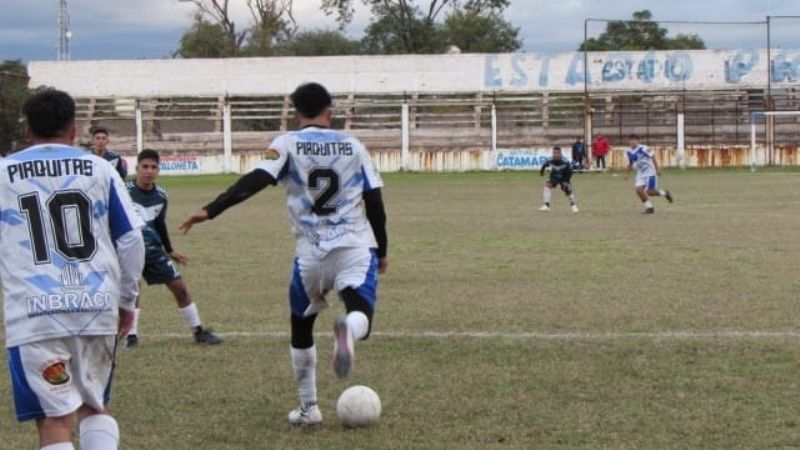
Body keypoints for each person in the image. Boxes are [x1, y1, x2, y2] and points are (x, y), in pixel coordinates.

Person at [180, 82, 388, 427]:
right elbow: (376, 202)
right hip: (354, 245)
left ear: (295, 113)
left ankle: (309, 409)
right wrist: (382, 249)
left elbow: (257, 179)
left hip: (311, 254)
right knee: (359, 310)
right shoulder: (354, 146)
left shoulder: (287, 144)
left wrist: (211, 209)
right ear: (330, 111)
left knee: (301, 326)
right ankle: (348, 332)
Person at [1, 89, 145, 450]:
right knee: (96, 406)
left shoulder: (3, 173)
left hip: (34, 314)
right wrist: (127, 301)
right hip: (95, 306)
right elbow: (130, 240)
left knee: (55, 420)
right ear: (74, 129)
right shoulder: (100, 168)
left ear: (28, 129)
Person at [125, 149, 222, 347]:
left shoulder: (161, 195)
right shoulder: (123, 190)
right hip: (127, 248)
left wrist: (169, 250)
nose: (149, 171)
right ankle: (131, 336)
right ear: (137, 168)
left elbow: (160, 224)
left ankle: (198, 331)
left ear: (158, 170)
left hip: (152, 248)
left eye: (153, 167)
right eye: (145, 166)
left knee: (180, 287)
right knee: (133, 290)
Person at [626, 134, 674, 214]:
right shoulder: (629, 152)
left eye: (634, 140)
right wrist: (627, 174)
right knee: (639, 191)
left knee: (650, 192)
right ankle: (649, 208)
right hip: (640, 173)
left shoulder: (643, 148)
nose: (632, 142)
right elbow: (630, 163)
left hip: (650, 172)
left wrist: (657, 169)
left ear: (638, 141)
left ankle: (665, 192)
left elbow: (653, 157)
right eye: (631, 140)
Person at [538, 146, 578, 213]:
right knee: (547, 186)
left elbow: (570, 171)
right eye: (554, 153)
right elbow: (544, 165)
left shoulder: (565, 161)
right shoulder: (550, 160)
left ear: (560, 153)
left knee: (567, 191)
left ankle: (573, 205)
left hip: (564, 177)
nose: (555, 155)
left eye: (557, 153)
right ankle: (547, 206)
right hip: (554, 176)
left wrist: (566, 181)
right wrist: (542, 172)